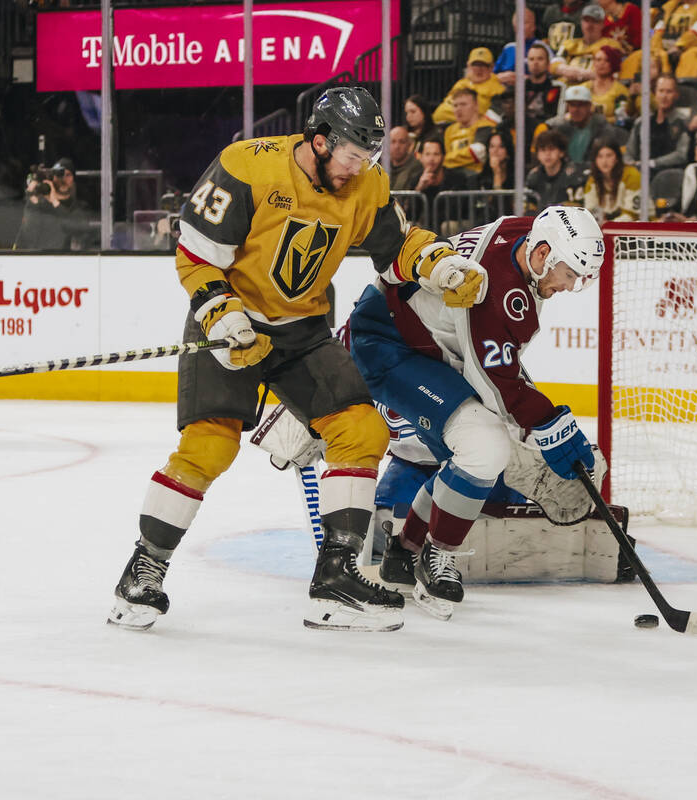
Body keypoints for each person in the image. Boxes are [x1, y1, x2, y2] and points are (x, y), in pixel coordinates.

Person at [106, 87, 490, 634]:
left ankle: (334, 582)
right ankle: (143, 571)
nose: (361, 169)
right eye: (353, 156)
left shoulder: (368, 182)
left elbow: (395, 246)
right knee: (209, 447)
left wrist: (438, 264)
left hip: (302, 332)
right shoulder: (247, 166)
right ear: (318, 141)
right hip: (228, 325)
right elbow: (196, 253)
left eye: (369, 159)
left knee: (361, 430)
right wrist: (224, 317)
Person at [346, 206, 605, 619]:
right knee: (485, 447)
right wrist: (551, 426)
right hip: (389, 344)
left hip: (420, 336)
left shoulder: (522, 231)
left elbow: (496, 366)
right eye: (570, 274)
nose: (570, 286)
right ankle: (438, 556)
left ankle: (403, 552)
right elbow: (496, 387)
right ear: (541, 255)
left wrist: (542, 420)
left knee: (470, 453)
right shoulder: (497, 293)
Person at [13, 158, 96, 250]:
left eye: (68, 175)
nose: (63, 179)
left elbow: (76, 227)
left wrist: (54, 201)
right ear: (53, 178)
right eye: (60, 175)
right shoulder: (40, 205)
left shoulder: (79, 208)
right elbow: (26, 236)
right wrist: (33, 200)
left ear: (73, 180)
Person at [626, 75, 691, 171]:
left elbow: (681, 154)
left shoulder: (683, 122)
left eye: (669, 91)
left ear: (676, 95)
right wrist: (631, 164)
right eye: (661, 91)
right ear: (654, 93)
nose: (664, 96)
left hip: (669, 175)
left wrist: (653, 163)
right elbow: (629, 154)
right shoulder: (641, 122)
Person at [534, 84, 609, 166]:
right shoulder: (560, 128)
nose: (575, 110)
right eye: (572, 105)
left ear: (589, 106)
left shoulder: (601, 127)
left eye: (580, 105)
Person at [431, 47, 506, 126]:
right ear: (468, 65)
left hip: (469, 130)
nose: (479, 69)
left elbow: (493, 119)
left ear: (491, 67)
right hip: (439, 125)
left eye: (483, 65)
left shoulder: (498, 89)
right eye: (475, 65)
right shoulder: (461, 83)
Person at [557, 5, 621, 84]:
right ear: (581, 22)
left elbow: (614, 73)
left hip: (596, 86)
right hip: (567, 85)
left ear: (602, 24)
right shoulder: (569, 44)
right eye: (586, 20)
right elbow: (554, 64)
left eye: (595, 21)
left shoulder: (611, 45)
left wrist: (585, 75)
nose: (590, 25)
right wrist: (565, 70)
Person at [581, 137, 641, 222]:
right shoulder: (593, 180)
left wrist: (608, 225)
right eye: (600, 156)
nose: (604, 161)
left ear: (617, 158)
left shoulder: (632, 175)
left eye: (609, 155)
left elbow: (633, 214)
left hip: (638, 226)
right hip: (608, 227)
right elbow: (590, 211)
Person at [525, 129, 586, 210]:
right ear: (538, 155)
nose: (547, 154)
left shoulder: (574, 175)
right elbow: (528, 209)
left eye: (551, 149)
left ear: (561, 152)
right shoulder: (533, 177)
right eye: (543, 150)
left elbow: (579, 209)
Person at [442, 88, 495, 176]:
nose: (458, 109)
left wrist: (446, 159)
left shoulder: (486, 127)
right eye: (455, 105)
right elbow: (446, 160)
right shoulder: (449, 130)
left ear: (476, 106)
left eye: (463, 104)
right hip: (452, 177)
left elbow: (478, 153)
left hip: (477, 178)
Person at [582, 45, 629, 123]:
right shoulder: (583, 88)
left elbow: (622, 120)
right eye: (598, 60)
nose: (601, 63)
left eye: (607, 60)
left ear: (613, 64)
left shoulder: (621, 91)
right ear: (594, 63)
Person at [386, 126, 422, 191]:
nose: (397, 146)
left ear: (409, 145)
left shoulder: (417, 167)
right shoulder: (382, 165)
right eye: (393, 142)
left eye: (402, 142)